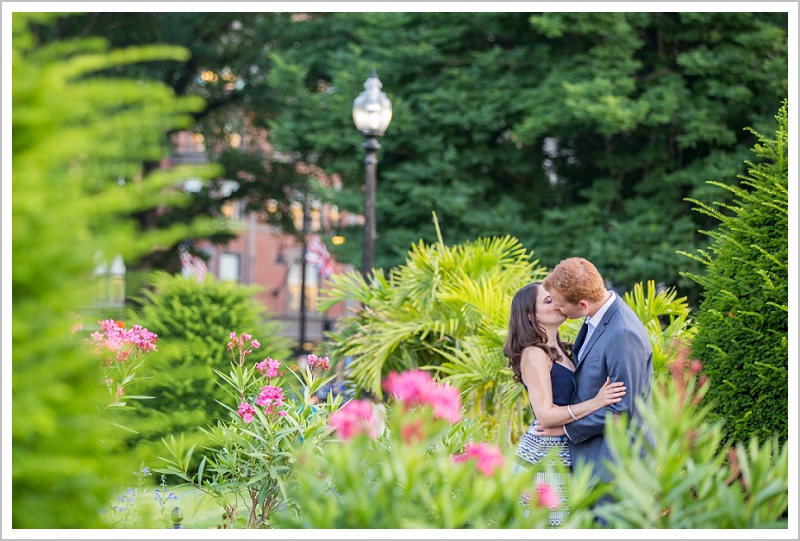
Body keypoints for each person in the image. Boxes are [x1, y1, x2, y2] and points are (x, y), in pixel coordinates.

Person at [536, 257, 654, 523]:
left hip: (616, 464)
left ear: (582, 304)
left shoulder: (623, 333)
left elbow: (623, 409)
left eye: (559, 303)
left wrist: (566, 428)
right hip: (594, 459)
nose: (555, 306)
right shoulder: (594, 319)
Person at [503, 282, 627, 527]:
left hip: (566, 450)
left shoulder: (560, 349)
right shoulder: (534, 354)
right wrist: (597, 402)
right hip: (544, 456)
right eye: (548, 301)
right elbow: (545, 415)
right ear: (530, 316)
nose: (558, 304)